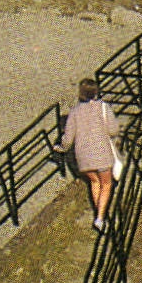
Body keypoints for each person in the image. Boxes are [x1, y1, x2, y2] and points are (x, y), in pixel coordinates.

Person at [56, 78, 122, 231]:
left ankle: (98, 212)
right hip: (102, 154)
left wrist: (61, 148)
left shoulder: (74, 113)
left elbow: (68, 139)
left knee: (94, 182)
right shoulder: (103, 108)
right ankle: (100, 217)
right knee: (107, 184)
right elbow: (113, 130)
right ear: (96, 92)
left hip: (83, 157)